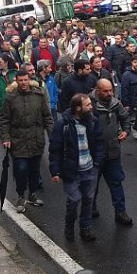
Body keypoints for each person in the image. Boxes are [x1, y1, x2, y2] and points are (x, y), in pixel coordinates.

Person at [48, 93, 106, 242]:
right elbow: (55, 148)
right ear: (78, 108)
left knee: (88, 200)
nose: (91, 107)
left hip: (90, 169)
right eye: (88, 105)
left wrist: (98, 162)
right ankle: (69, 225)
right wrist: (55, 171)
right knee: (74, 199)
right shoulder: (63, 125)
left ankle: (85, 228)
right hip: (71, 171)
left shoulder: (92, 121)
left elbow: (99, 142)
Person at [0, 71, 53, 213]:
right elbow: (4, 120)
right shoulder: (10, 98)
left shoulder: (38, 96)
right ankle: (21, 195)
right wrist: (6, 138)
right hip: (18, 139)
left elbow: (47, 116)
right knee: (21, 169)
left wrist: (52, 134)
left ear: (29, 80)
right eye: (20, 80)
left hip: (36, 138)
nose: (23, 83)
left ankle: (32, 194)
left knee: (35, 170)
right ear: (16, 81)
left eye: (25, 80)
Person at [89, 79, 133, 225]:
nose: (109, 94)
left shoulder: (115, 104)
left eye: (111, 90)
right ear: (97, 90)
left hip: (113, 151)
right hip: (94, 153)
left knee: (116, 182)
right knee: (92, 184)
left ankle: (120, 212)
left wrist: (126, 131)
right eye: (105, 91)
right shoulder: (88, 105)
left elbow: (125, 118)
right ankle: (90, 208)